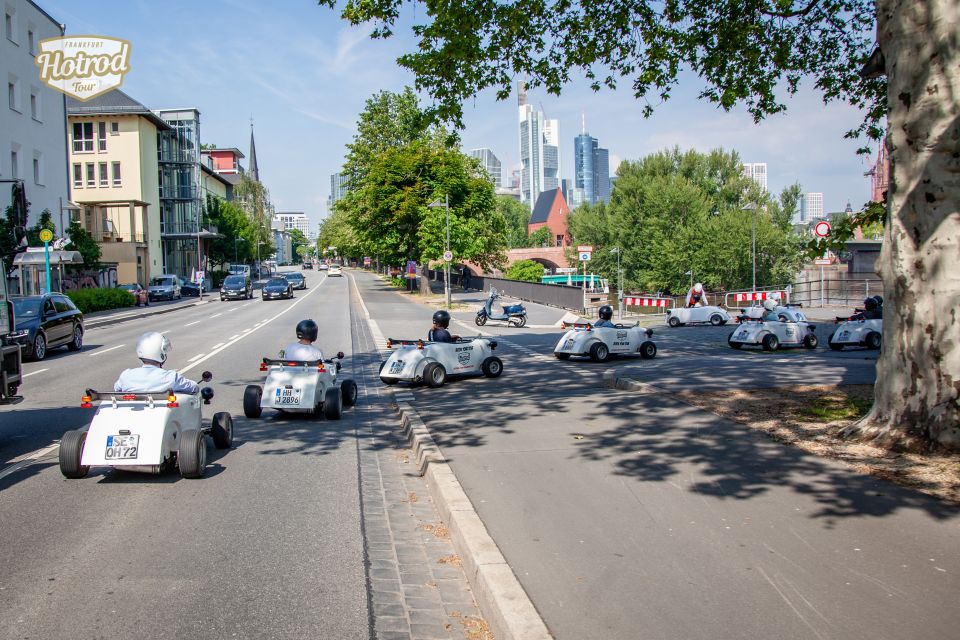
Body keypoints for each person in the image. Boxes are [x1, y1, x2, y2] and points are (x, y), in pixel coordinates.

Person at [114, 332, 199, 394]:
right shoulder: (171, 377)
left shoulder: (126, 375)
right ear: (161, 353)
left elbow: (116, 389)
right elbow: (194, 387)